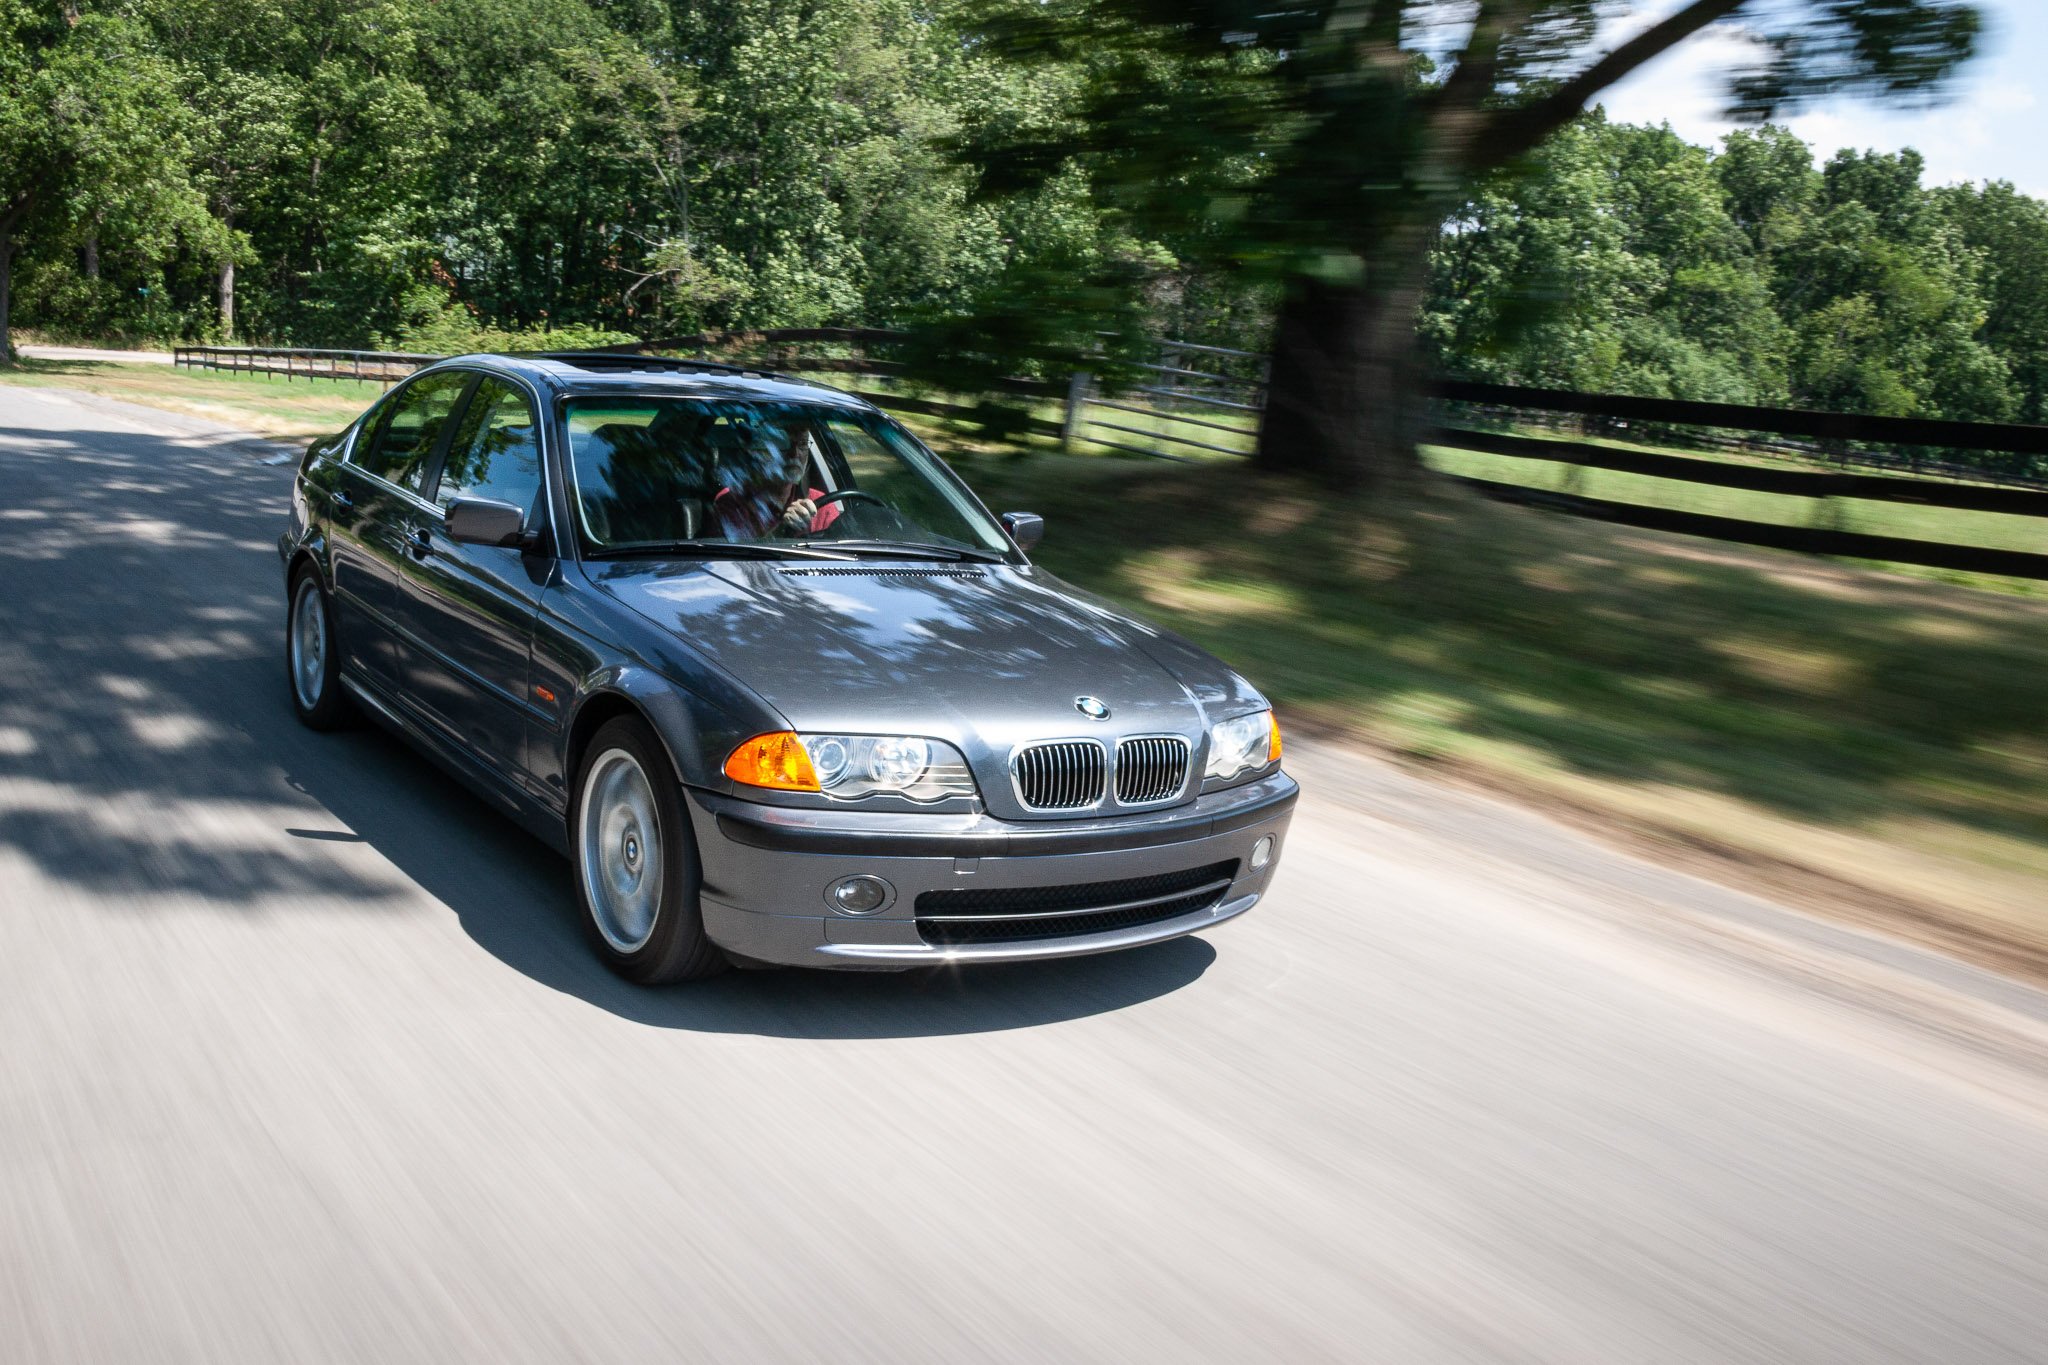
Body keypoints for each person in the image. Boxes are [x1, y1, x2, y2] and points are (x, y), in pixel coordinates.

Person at [708, 422, 845, 540]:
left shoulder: (822, 505)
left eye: (802, 444)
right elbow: (731, 562)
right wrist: (782, 531)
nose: (795, 454)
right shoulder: (732, 501)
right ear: (762, 451)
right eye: (783, 444)